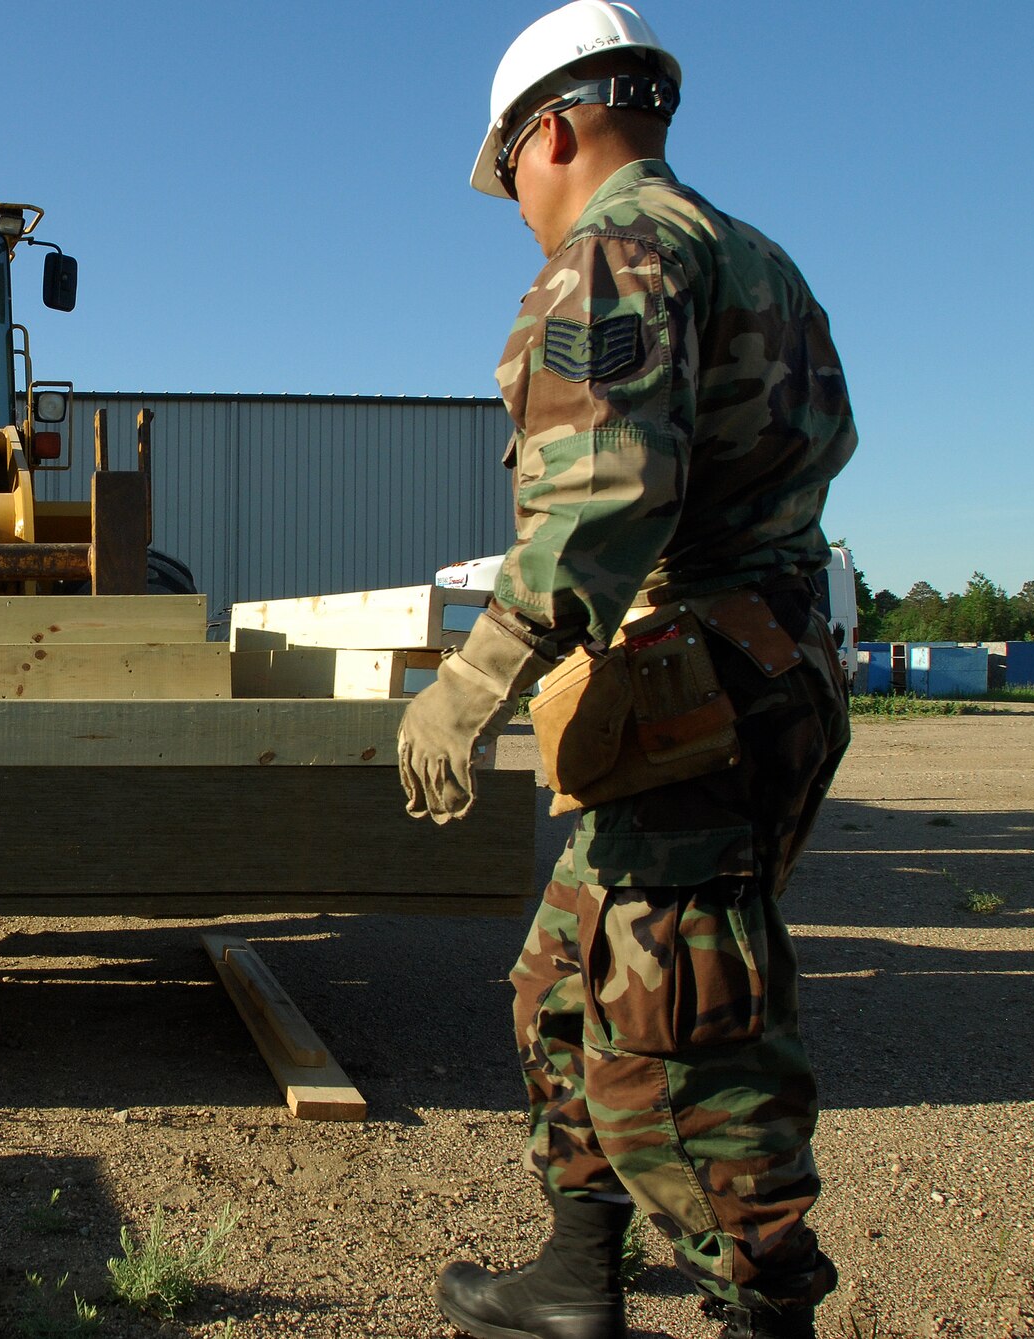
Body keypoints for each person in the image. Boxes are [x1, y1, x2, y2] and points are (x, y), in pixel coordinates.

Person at [394, 4, 856, 1338]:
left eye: (515, 182)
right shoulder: (753, 255)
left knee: (685, 1033)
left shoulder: (617, 257)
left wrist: (468, 685)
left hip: (702, 689)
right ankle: (576, 1271)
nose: (522, 210)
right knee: (558, 983)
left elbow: (600, 500)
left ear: (554, 131)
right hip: (744, 667)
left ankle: (765, 1310)